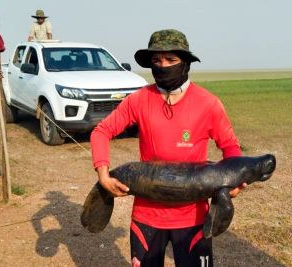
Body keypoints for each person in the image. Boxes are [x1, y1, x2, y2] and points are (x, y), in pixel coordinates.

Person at [90, 29, 246, 267]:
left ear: (186, 63)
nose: (163, 66)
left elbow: (230, 146)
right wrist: (103, 174)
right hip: (147, 217)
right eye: (156, 61)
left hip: (194, 217)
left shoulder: (208, 103)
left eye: (171, 60)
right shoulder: (139, 99)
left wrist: (235, 179)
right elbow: (102, 131)